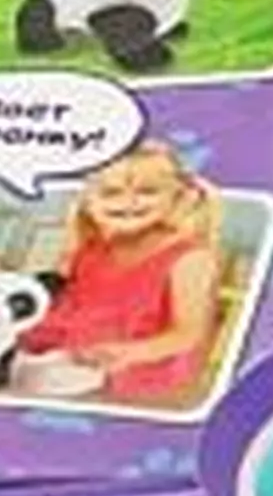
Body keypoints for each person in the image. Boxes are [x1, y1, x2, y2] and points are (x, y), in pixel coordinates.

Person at [15, 142, 227, 405]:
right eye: (111, 192)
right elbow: (72, 306)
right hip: (81, 364)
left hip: (147, 380)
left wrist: (130, 353)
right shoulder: (93, 249)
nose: (128, 202)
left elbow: (187, 334)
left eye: (147, 191)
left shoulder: (190, 258)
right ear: (88, 200)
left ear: (177, 196)